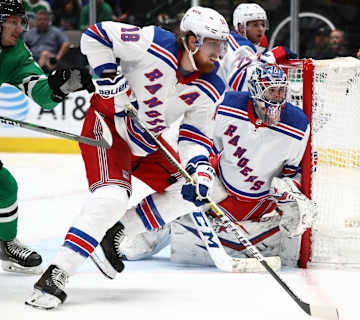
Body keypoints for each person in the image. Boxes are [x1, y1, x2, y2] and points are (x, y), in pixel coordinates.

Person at [25, 6, 229, 310]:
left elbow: (195, 136)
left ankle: (116, 233)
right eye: (214, 43)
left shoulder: (212, 85)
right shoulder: (152, 42)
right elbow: (96, 35)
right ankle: (57, 274)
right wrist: (106, 74)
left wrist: (198, 169)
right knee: (111, 198)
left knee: (201, 191)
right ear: (191, 40)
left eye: (222, 44)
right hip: (107, 128)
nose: (220, 52)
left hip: (147, 142)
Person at [106, 63, 311, 267]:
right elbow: (205, 141)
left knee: (282, 194)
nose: (277, 97)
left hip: (257, 202)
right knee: (181, 197)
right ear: (255, 90)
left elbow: (292, 172)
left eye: (281, 91)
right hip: (221, 178)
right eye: (271, 91)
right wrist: (200, 170)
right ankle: (128, 237)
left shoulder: (298, 125)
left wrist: (288, 192)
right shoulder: (229, 105)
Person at [0, 0, 93, 275]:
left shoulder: (15, 52)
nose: (20, 28)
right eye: (13, 22)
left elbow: (40, 93)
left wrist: (58, 85)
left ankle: (5, 242)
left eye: (21, 21)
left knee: (5, 187)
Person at [219, 2, 296, 92]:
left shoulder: (234, 41)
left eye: (263, 25)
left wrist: (261, 57)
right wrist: (271, 57)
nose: (261, 29)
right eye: (255, 25)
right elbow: (243, 85)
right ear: (241, 28)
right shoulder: (239, 46)